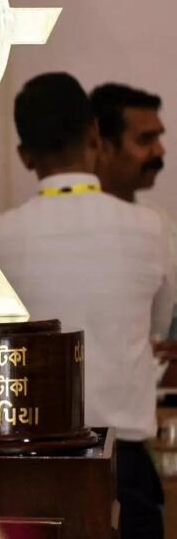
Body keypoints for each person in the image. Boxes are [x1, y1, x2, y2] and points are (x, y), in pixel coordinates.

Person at [0, 72, 175, 539]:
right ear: (94, 134)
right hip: (124, 463)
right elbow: (157, 328)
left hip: (29, 464)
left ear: (25, 155)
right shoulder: (151, 228)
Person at [91, 82, 177, 347]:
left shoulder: (163, 224)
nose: (160, 151)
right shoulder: (70, 227)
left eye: (158, 138)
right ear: (103, 146)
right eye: (146, 139)